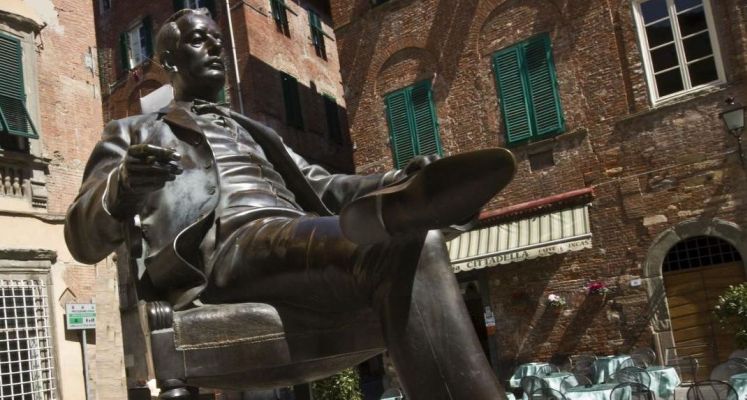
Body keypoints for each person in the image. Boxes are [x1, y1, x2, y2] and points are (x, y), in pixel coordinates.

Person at [64, 8, 514, 400]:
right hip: (227, 248)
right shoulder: (132, 131)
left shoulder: (257, 131)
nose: (216, 48)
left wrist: (396, 178)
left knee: (416, 238)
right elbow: (80, 238)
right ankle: (398, 217)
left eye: (219, 41)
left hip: (295, 235)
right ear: (167, 60)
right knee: (397, 241)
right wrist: (122, 187)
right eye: (201, 40)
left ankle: (404, 204)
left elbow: (323, 183)